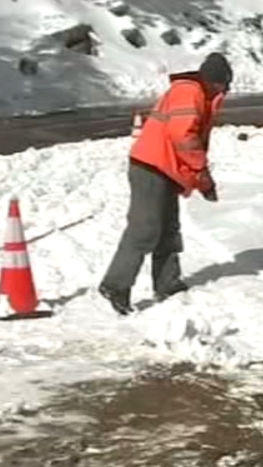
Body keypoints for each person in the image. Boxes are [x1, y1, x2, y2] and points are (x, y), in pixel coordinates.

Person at [97, 52, 232, 316]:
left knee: (168, 229)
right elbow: (183, 136)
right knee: (145, 228)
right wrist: (200, 171)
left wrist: (202, 181)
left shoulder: (198, 93)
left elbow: (187, 142)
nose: (224, 91)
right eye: (223, 85)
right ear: (215, 81)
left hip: (167, 169)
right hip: (151, 167)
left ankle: (167, 283)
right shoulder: (189, 91)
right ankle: (116, 285)